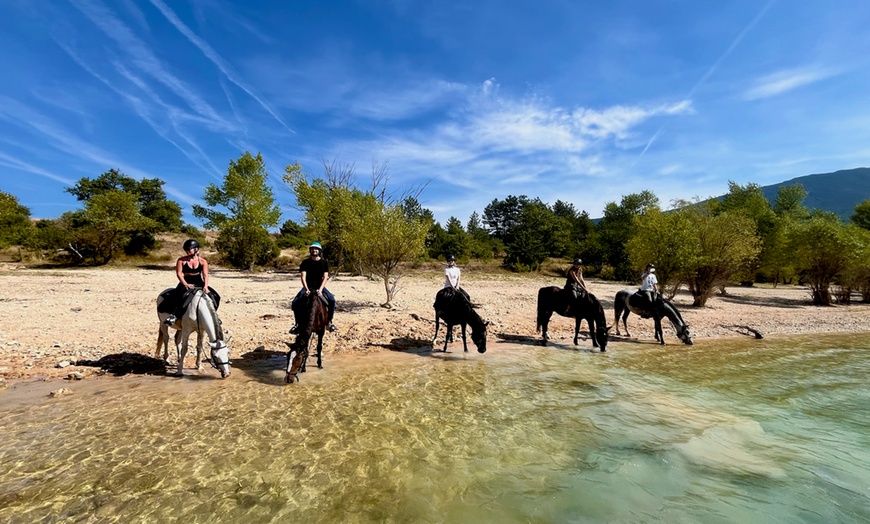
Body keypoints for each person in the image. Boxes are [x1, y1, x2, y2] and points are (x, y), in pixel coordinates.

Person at [160, 239, 220, 325]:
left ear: (196, 249)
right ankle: (173, 315)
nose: (187, 251)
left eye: (189, 249)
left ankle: (214, 316)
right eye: (186, 250)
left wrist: (206, 286)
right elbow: (179, 274)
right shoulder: (181, 260)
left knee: (215, 296)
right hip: (186, 281)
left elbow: (205, 275)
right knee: (179, 296)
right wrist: (185, 284)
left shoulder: (203, 261)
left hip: (199, 281)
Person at [289, 242, 336, 334]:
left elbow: (325, 277)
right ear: (310, 250)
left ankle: (329, 322)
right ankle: (297, 324)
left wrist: (321, 290)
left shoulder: (324, 263)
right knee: (295, 302)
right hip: (308, 287)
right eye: (313, 249)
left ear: (319, 251)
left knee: (332, 300)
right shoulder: (305, 262)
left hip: (320, 286)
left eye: (316, 249)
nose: (314, 250)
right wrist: (306, 289)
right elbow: (303, 277)